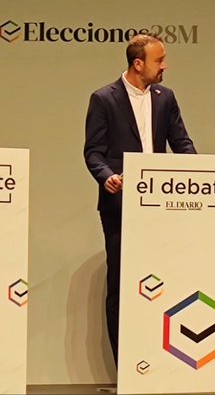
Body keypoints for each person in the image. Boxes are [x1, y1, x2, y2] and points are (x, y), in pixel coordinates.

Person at [83, 33, 196, 364]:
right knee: (122, 284)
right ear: (138, 64)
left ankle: (157, 361)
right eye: (159, 60)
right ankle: (126, 366)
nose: (165, 66)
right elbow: (93, 152)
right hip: (120, 206)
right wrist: (107, 176)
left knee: (162, 281)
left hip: (160, 206)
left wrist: (198, 172)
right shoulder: (104, 99)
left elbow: (181, 142)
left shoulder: (165, 97)